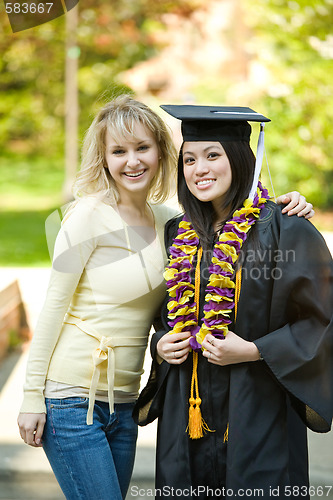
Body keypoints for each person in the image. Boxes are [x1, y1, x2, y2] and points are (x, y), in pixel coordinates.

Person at [17, 95, 313, 500]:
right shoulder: (89, 216)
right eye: (118, 151)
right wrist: (32, 398)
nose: (132, 161)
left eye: (142, 147)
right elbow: (53, 309)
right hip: (73, 397)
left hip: (125, 403)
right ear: (104, 159)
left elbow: (169, 304)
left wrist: (286, 205)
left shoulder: (171, 224)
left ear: (159, 151)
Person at [133, 105, 333, 499]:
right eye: (189, 159)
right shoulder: (177, 233)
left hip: (257, 406)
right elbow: (166, 313)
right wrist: (161, 343)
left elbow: (321, 319)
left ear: (239, 159)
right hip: (186, 409)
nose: (199, 168)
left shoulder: (286, 229)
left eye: (212, 155)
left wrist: (255, 350)